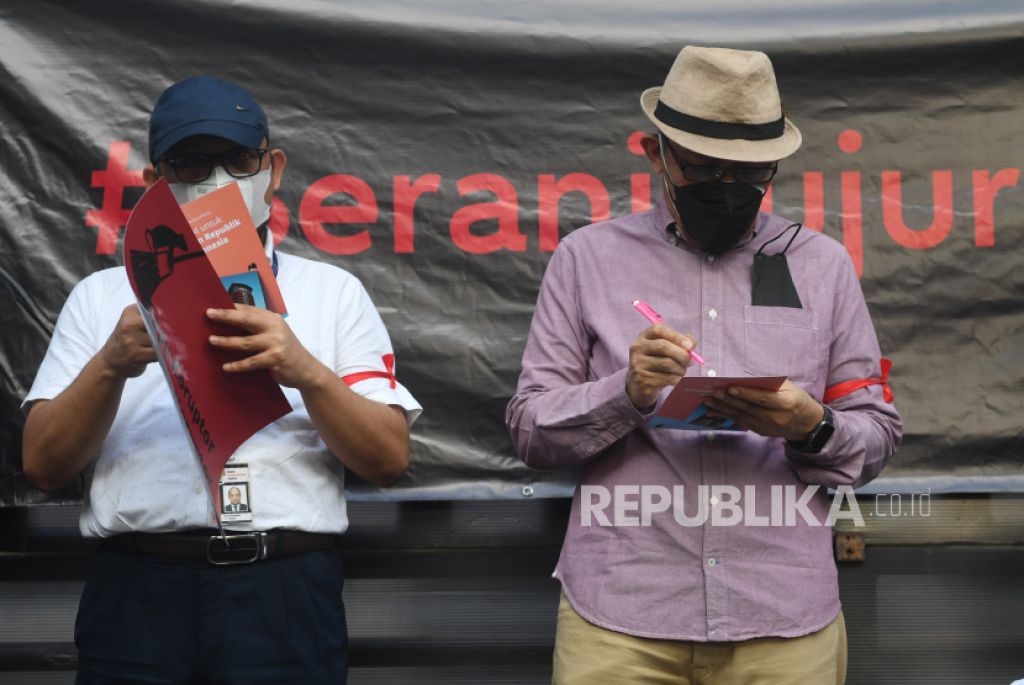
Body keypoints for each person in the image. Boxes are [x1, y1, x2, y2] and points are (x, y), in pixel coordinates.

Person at [506, 46, 902, 684]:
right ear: (655, 152)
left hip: (782, 616)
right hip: (622, 616)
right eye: (704, 167)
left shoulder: (822, 266)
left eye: (749, 174)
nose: (727, 187)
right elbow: (529, 430)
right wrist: (627, 392)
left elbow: (876, 433)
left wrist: (813, 426)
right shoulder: (586, 260)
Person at [22, 76, 421, 684]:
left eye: (238, 160)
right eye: (191, 164)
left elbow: (389, 458)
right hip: (140, 588)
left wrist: (307, 371)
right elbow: (43, 466)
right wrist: (110, 365)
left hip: (283, 588)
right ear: (156, 182)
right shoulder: (102, 299)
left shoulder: (333, 293)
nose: (218, 182)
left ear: (273, 168)